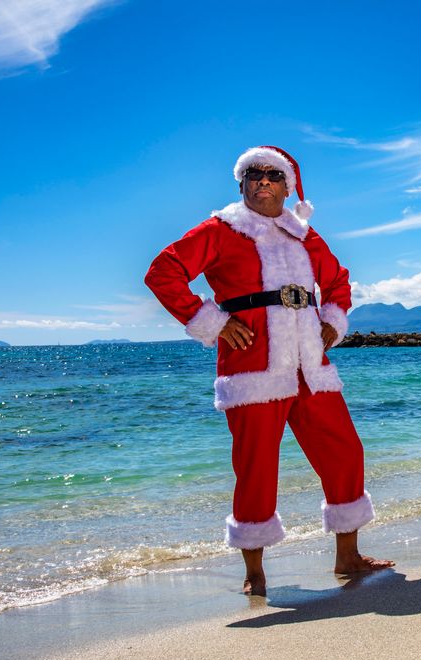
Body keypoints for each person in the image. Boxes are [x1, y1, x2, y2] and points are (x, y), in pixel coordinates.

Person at [145, 145, 393, 596]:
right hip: (252, 367)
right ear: (241, 184)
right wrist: (215, 323)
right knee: (256, 467)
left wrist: (332, 324)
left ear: (287, 185)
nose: (262, 181)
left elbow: (337, 281)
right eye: (253, 174)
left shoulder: (304, 234)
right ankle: (255, 575)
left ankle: (348, 558)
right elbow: (163, 273)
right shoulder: (220, 230)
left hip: (310, 366)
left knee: (345, 452)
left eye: (272, 175)